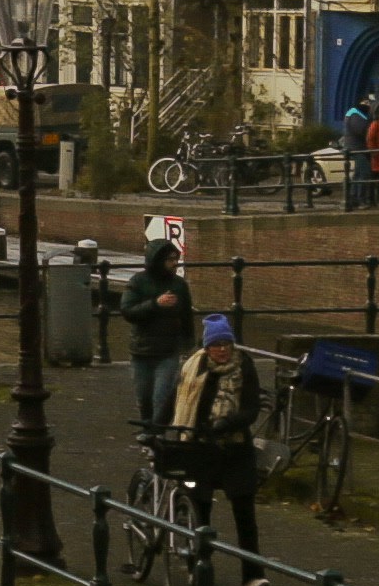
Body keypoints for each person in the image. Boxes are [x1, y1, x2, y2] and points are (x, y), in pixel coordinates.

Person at [163, 314, 272, 562]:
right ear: (207, 347)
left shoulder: (244, 366)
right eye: (216, 345)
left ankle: (252, 576)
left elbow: (251, 409)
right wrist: (156, 425)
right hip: (200, 448)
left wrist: (227, 423)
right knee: (200, 507)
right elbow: (176, 397)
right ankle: (200, 565)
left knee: (245, 511)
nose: (222, 350)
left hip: (235, 447)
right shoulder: (194, 366)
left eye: (226, 344)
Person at [115, 229, 201, 436]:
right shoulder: (138, 282)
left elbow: (186, 315)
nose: (174, 263)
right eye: (170, 259)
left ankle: (156, 433)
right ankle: (148, 428)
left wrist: (189, 343)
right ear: (158, 259)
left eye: (176, 259)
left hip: (168, 350)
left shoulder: (179, 285)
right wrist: (155, 304)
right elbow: (127, 311)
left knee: (162, 395)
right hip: (142, 349)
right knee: (144, 395)